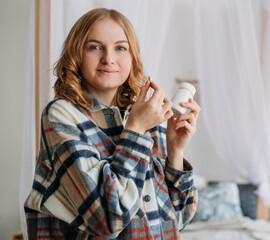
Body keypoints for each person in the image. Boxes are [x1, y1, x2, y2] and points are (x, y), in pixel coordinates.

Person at [24, 8, 200, 239]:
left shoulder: (145, 114)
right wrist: (135, 130)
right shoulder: (61, 115)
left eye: (120, 48)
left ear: (132, 56)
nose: (109, 58)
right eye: (95, 47)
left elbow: (177, 219)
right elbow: (108, 221)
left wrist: (175, 151)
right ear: (77, 54)